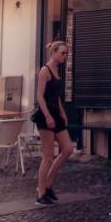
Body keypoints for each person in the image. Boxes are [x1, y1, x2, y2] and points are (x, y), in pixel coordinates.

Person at [31, 40, 75, 206]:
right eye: (62, 53)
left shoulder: (57, 70)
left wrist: (62, 113)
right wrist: (48, 116)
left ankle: (48, 184)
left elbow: (56, 95)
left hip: (56, 114)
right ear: (54, 53)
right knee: (48, 156)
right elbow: (40, 96)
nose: (65, 56)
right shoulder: (45, 70)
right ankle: (41, 192)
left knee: (68, 149)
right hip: (45, 116)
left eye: (66, 53)